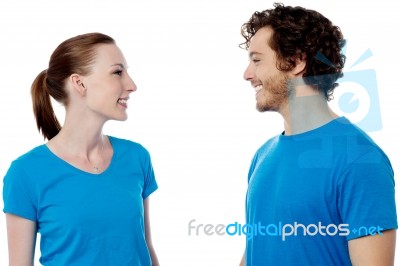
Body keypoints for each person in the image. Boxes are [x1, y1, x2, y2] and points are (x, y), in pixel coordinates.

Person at [238, 3, 397, 266]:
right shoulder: (263, 155)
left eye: (257, 60)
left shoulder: (360, 160)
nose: (247, 74)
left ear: (297, 61)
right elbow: (258, 248)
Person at [3, 33, 160, 265]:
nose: (132, 85)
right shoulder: (26, 173)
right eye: (118, 72)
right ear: (79, 83)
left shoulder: (137, 157)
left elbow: (145, 247)